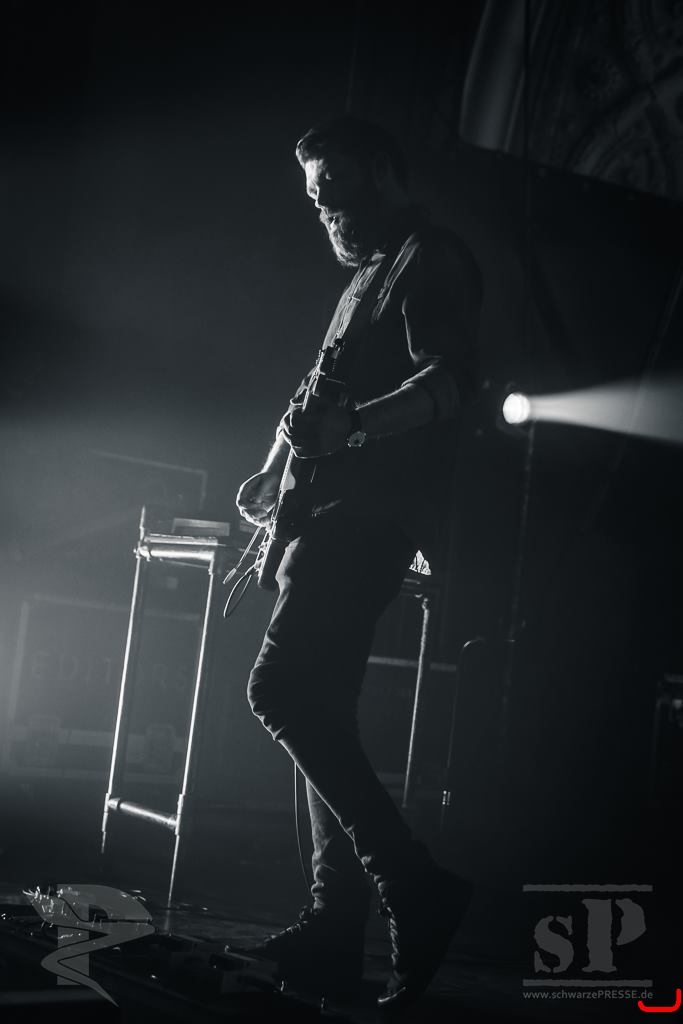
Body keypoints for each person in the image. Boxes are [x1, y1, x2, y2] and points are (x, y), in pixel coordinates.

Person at [233, 115, 482, 1011]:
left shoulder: (430, 260)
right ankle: (334, 928)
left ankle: (412, 886)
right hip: (323, 517)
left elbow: (449, 383)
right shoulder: (366, 278)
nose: (323, 209)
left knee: (279, 692)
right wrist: (274, 467)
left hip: (365, 522)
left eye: (333, 186)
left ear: (381, 170)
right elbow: (318, 390)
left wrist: (354, 431)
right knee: (322, 709)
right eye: (313, 196)